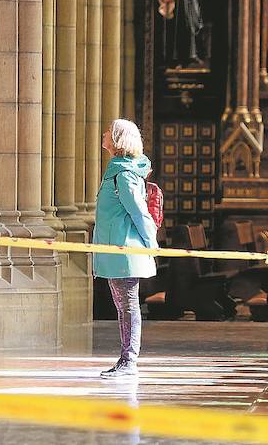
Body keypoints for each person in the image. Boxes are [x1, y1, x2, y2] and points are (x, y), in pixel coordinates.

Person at [94, 119, 159, 378]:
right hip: (116, 250)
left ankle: (129, 360)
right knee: (123, 307)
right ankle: (126, 359)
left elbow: (139, 213)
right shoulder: (117, 171)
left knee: (128, 307)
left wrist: (151, 245)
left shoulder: (123, 175)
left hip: (125, 251)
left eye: (109, 131)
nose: (104, 134)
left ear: (118, 140)